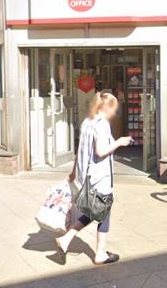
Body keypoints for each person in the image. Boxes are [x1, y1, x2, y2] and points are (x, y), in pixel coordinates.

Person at [55, 91, 132, 264]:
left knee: (95, 210)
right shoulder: (101, 124)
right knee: (103, 210)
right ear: (108, 108)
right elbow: (100, 151)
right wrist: (119, 142)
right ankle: (100, 254)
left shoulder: (87, 121)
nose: (115, 114)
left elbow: (81, 149)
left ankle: (66, 240)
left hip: (87, 176)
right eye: (114, 110)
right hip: (99, 177)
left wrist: (74, 171)